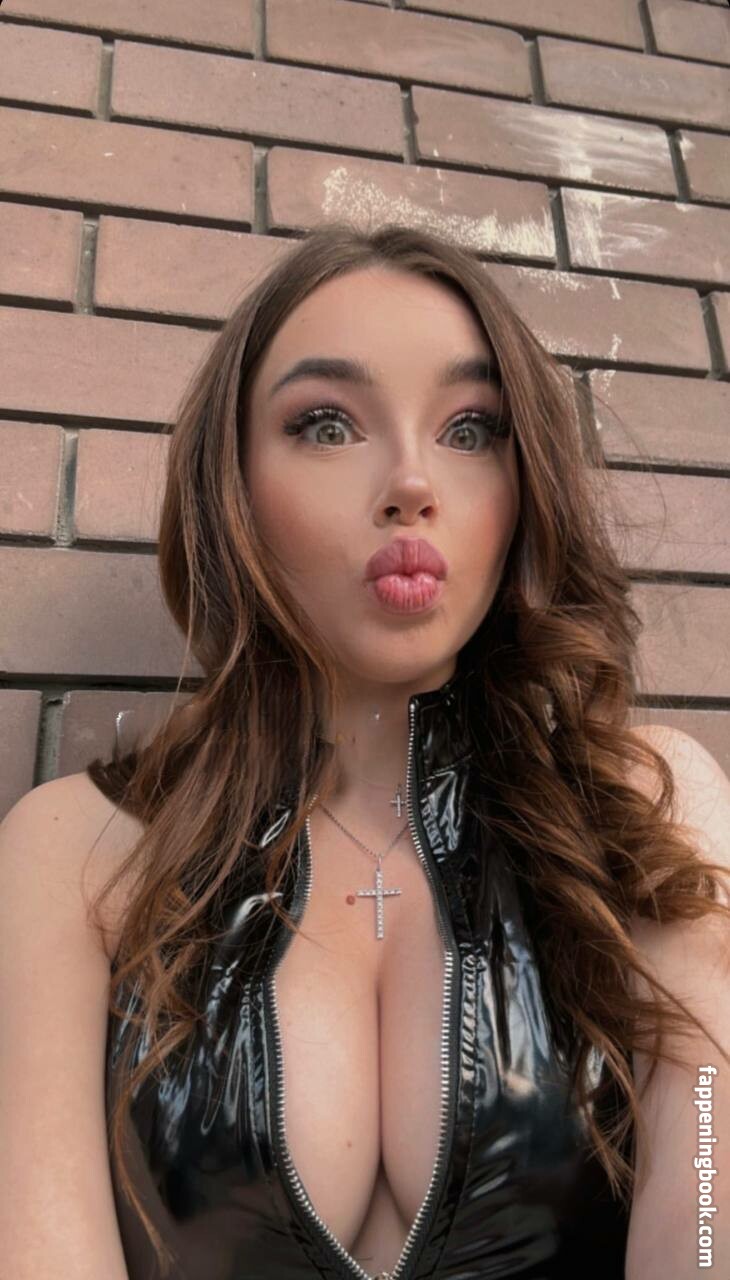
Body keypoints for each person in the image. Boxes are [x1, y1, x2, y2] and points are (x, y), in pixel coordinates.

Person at [1, 222, 729, 1280]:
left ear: (524, 488)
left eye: (472, 428)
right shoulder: (73, 852)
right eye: (327, 423)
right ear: (231, 489)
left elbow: (706, 1218)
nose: (410, 481)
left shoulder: (643, 810)